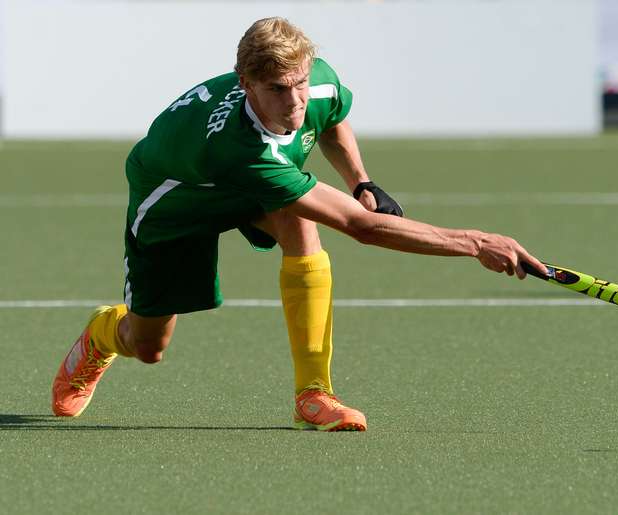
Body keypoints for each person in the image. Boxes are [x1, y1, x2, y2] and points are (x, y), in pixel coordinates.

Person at [51, 17, 547, 431]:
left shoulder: (318, 83)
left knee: (302, 225)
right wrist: (476, 242)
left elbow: (330, 120)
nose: (294, 103)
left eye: (300, 85)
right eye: (276, 90)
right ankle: (101, 334)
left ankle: (313, 396)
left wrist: (361, 181)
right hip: (176, 204)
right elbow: (362, 229)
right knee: (148, 347)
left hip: (252, 183)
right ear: (246, 83)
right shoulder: (236, 150)